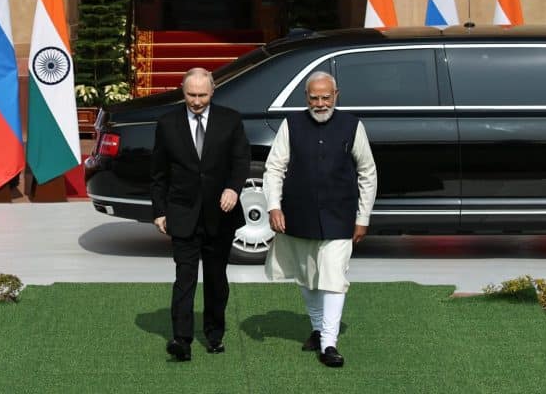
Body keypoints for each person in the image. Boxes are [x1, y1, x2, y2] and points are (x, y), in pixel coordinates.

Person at [262, 70, 377, 368]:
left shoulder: (353, 125)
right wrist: (274, 206)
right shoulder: (292, 124)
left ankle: (329, 343)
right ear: (306, 98)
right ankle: (316, 328)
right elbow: (274, 168)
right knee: (308, 277)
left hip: (340, 216)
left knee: (334, 278)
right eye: (315, 98)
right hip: (297, 215)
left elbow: (368, 172)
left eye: (326, 97)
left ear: (336, 95)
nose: (321, 103)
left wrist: (363, 217)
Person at [151, 67, 250, 362]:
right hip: (182, 213)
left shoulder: (230, 120)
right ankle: (181, 340)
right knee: (185, 278)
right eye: (191, 95)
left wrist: (234, 188)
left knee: (217, 278)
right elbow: (158, 173)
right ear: (183, 91)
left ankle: (214, 334)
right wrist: (159, 211)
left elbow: (241, 160)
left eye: (202, 95)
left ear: (213, 91)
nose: (196, 101)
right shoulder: (167, 123)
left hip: (221, 213)